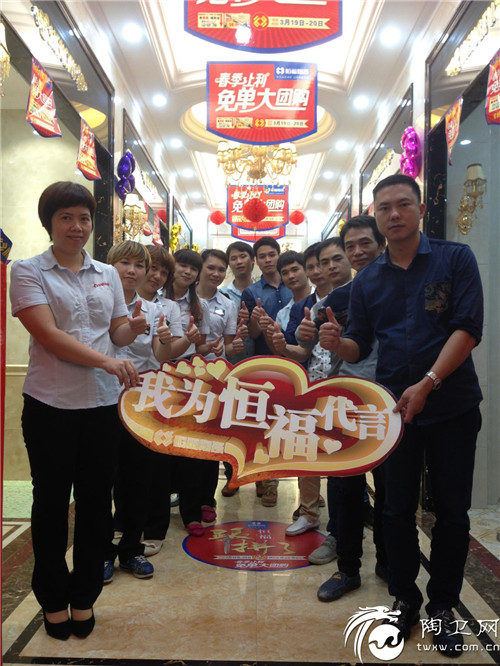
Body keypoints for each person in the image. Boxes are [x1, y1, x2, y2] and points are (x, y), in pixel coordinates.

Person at [318, 175, 483, 656]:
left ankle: (442, 607)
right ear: (376, 213)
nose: (394, 214)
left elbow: (468, 328)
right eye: (385, 207)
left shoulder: (455, 259)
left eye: (403, 204)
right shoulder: (368, 280)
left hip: (452, 406)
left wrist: (429, 382)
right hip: (394, 412)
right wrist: (338, 343)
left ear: (420, 209)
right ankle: (405, 598)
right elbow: (361, 343)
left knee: (451, 512)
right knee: (394, 510)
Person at [9, 182, 145, 640]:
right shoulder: (28, 271)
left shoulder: (106, 273)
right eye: (66, 217)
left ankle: (84, 596)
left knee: (96, 505)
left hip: (102, 407)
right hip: (51, 405)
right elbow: (49, 336)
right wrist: (107, 360)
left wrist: (132, 328)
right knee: (50, 504)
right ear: (49, 222)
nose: (77, 226)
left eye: (84, 218)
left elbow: (117, 331)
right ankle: (52, 599)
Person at [298, 217, 387, 599]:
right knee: (344, 486)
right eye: (350, 247)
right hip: (348, 399)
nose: (356, 253)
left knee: (390, 488)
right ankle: (347, 568)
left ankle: (388, 560)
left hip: (390, 399)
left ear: (381, 246)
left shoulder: (398, 287)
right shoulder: (336, 300)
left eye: (363, 244)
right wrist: (307, 335)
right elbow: (316, 342)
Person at [104, 240, 180, 582]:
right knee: (102, 481)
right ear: (111, 266)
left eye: (139, 265)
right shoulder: (98, 302)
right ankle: (102, 552)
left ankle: (131, 550)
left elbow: (160, 357)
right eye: (125, 263)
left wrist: (164, 338)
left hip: (140, 402)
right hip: (101, 399)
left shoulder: (151, 310)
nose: (132, 271)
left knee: (138, 478)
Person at [272, 239, 352, 537]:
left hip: (345, 385)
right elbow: (301, 352)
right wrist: (282, 346)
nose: (319, 270)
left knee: (344, 454)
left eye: (324, 263)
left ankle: (348, 520)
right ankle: (308, 512)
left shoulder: (353, 298)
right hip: (310, 386)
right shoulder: (302, 307)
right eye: (313, 266)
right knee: (305, 449)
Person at [136, 245, 185, 556]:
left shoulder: (167, 308)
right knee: (123, 466)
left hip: (155, 391)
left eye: (163, 272)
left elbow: (164, 355)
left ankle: (155, 527)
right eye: (152, 268)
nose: (156, 276)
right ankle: (123, 528)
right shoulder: (118, 300)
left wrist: (174, 340)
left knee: (156, 461)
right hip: (117, 389)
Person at [164, 248, 216, 536]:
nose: (187, 271)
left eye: (193, 268)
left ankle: (192, 511)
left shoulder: (199, 306)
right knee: (161, 445)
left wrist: (211, 347)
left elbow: (201, 348)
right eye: (182, 265)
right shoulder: (156, 297)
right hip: (157, 377)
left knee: (190, 447)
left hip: (187, 379)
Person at [195, 249, 247, 518]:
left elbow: (228, 346)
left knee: (209, 440)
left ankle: (206, 499)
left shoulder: (227, 304)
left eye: (220, 269)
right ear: (200, 268)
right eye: (211, 268)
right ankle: (179, 492)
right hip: (180, 375)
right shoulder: (183, 298)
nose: (216, 274)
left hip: (213, 380)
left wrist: (233, 346)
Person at [241, 236, 293, 507]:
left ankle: (307, 481)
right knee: (265, 424)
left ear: (278, 254)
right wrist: (255, 322)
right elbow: (251, 334)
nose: (268, 259)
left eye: (272, 254)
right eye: (262, 256)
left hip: (296, 361)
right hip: (265, 364)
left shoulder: (294, 282)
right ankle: (266, 481)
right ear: (256, 261)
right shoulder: (251, 292)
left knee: (294, 423)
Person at [219, 241, 255, 495]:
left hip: (260, 363)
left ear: (252, 260)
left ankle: (265, 479)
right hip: (229, 365)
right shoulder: (221, 294)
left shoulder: (264, 290)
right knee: (229, 421)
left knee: (262, 420)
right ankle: (232, 475)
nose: (239, 262)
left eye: (243, 256)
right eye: (234, 258)